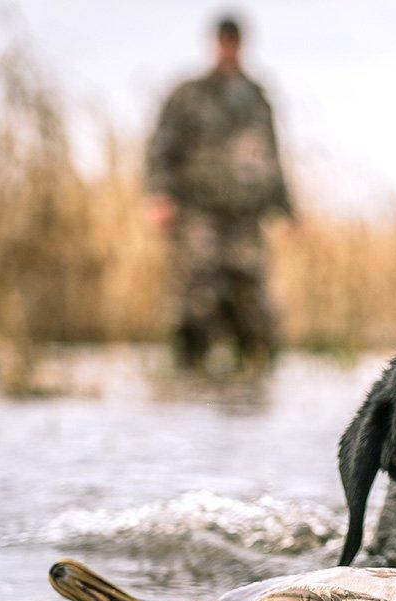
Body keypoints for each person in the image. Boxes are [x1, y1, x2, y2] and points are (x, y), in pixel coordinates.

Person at [147, 16, 293, 371]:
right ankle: (189, 380)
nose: (229, 48)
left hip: (246, 219)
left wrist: (288, 208)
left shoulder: (257, 98)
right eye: (223, 41)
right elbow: (161, 149)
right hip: (201, 215)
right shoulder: (188, 94)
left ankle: (252, 389)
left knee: (254, 310)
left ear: (242, 45)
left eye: (235, 41)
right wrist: (160, 196)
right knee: (197, 303)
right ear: (214, 44)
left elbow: (272, 157)